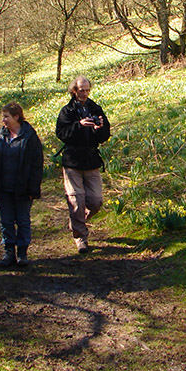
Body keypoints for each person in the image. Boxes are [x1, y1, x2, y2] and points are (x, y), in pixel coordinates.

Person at [55, 75, 111, 254]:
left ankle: (78, 222)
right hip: (72, 162)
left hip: (91, 160)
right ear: (74, 91)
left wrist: (99, 129)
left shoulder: (95, 108)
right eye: (81, 90)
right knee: (76, 202)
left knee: (96, 202)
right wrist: (79, 125)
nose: (84, 94)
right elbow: (61, 133)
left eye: (87, 90)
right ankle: (81, 238)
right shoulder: (67, 111)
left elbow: (104, 135)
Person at [0, 102, 43, 267]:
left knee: (23, 220)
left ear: (16, 117)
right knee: (6, 221)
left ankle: (22, 253)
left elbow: (37, 164)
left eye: (6, 116)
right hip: (4, 188)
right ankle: (9, 251)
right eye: (3, 116)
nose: (3, 120)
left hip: (23, 188)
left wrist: (34, 187)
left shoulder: (30, 137)